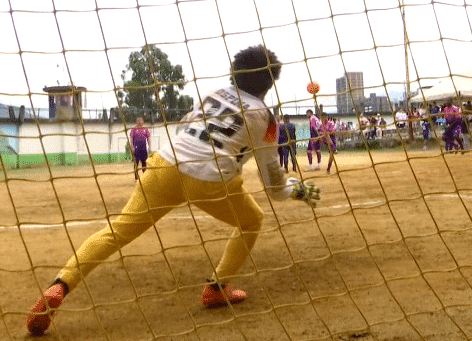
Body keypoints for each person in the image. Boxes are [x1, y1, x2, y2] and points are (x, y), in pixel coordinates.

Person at [25, 46, 321, 336]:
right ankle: (216, 289)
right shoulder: (267, 119)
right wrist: (295, 191)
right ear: (270, 84)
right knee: (251, 221)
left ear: (234, 72)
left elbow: (184, 125)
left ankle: (61, 284)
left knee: (117, 231)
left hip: (165, 165)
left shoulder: (212, 95)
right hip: (212, 178)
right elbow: (273, 184)